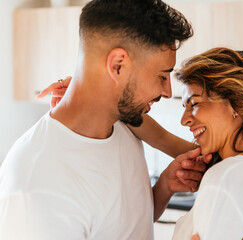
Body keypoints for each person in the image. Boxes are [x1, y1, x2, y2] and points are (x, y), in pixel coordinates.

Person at [0, 0, 212, 239]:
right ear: (118, 65)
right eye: (162, 76)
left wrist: (164, 187)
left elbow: (124, 225)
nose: (166, 91)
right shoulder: (36, 189)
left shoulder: (124, 122)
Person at [41, 47, 243, 239]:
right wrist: (91, 92)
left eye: (194, 104)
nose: (184, 120)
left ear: (237, 105)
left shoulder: (224, 178)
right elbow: (161, 137)